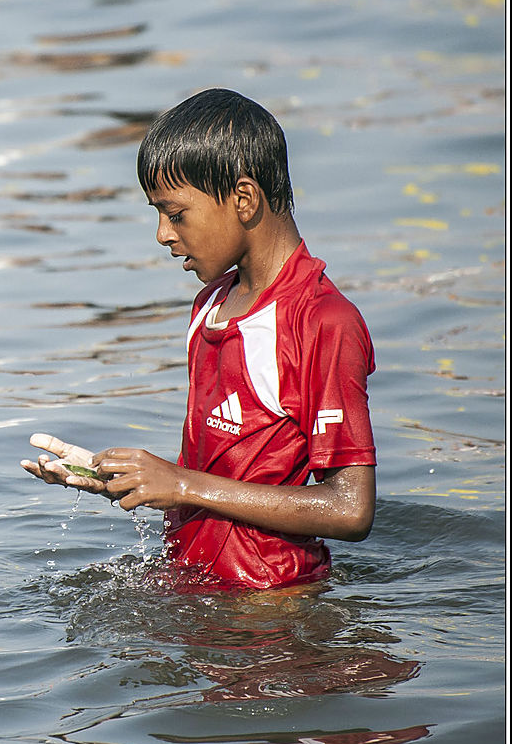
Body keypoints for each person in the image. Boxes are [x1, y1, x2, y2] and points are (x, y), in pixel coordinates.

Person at [21, 88, 377, 590]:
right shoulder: (209, 307)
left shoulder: (322, 322)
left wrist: (181, 482)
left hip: (273, 611)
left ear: (245, 200)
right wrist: (129, 481)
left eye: (176, 213)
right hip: (197, 589)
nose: (163, 234)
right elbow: (211, 474)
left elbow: (350, 509)